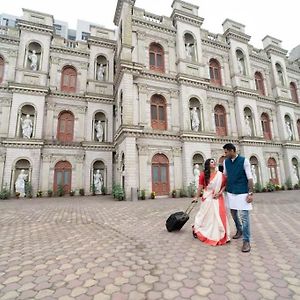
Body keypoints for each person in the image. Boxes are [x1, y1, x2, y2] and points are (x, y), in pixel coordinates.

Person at [223, 143, 254, 252]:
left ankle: (246, 241)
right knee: (233, 213)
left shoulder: (244, 161)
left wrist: (250, 193)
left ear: (232, 151)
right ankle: (239, 230)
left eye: (226, 152)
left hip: (243, 192)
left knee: (244, 217)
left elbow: (250, 178)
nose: (225, 154)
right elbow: (225, 176)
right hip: (231, 192)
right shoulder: (225, 162)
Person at [192, 158, 230, 246]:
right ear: (208, 164)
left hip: (218, 198)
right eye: (212, 162)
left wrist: (220, 193)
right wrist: (196, 197)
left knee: (219, 216)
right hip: (207, 198)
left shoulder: (220, 175)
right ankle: (198, 229)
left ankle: (221, 234)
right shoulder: (203, 175)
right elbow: (200, 187)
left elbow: (225, 185)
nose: (214, 163)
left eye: (214, 161)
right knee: (204, 215)